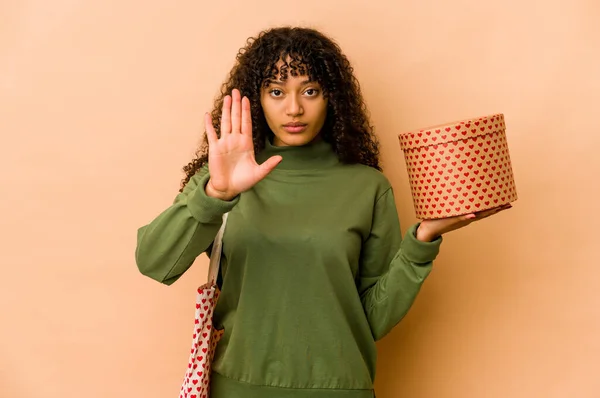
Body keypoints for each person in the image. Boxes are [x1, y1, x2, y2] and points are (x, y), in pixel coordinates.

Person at [135, 26, 510, 398]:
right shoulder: (224, 176)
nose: (294, 108)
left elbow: (372, 320)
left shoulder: (367, 187)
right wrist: (215, 193)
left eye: (310, 91)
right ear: (256, 98)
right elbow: (154, 261)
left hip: (340, 388)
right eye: (277, 92)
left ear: (332, 97)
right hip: (237, 390)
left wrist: (423, 239)